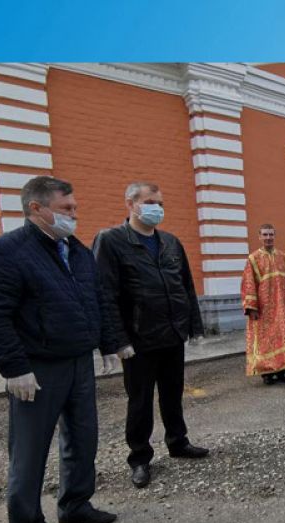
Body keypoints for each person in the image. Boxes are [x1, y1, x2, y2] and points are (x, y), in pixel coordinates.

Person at [0, 176, 118, 523]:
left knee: (83, 438)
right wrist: (14, 367)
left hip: (78, 360)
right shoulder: (2, 251)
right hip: (36, 368)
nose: (74, 215)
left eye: (75, 208)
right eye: (66, 209)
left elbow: (98, 299)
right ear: (36, 209)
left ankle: (75, 504)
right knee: (29, 450)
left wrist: (109, 343)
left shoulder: (77, 251)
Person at [93, 181, 209, 490]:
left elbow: (186, 286)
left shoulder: (170, 242)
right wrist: (116, 340)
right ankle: (140, 458)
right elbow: (105, 294)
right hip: (138, 340)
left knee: (173, 393)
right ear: (131, 204)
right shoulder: (112, 241)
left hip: (172, 334)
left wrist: (193, 326)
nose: (157, 207)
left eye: (160, 202)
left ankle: (178, 441)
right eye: (150, 201)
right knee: (140, 400)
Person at [241, 224, 285, 385]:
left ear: (274, 236)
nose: (268, 237)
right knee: (265, 341)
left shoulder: (284, 257)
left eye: (270, 234)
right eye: (265, 234)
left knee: (282, 338)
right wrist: (252, 307)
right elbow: (248, 284)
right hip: (262, 309)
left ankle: (282, 370)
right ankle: (267, 373)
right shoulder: (253, 259)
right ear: (259, 236)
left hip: (281, 307)